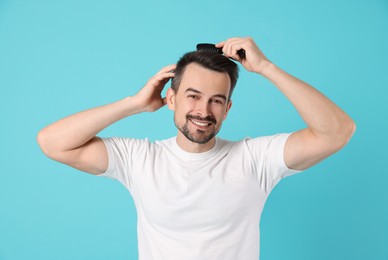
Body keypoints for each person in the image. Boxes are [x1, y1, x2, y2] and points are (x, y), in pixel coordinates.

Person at [37, 37, 356, 260]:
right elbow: (52, 142)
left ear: (227, 108)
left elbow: (338, 132)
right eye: (193, 95)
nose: (204, 110)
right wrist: (132, 104)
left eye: (216, 100)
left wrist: (267, 68)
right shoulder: (140, 159)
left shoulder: (255, 160)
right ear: (171, 99)